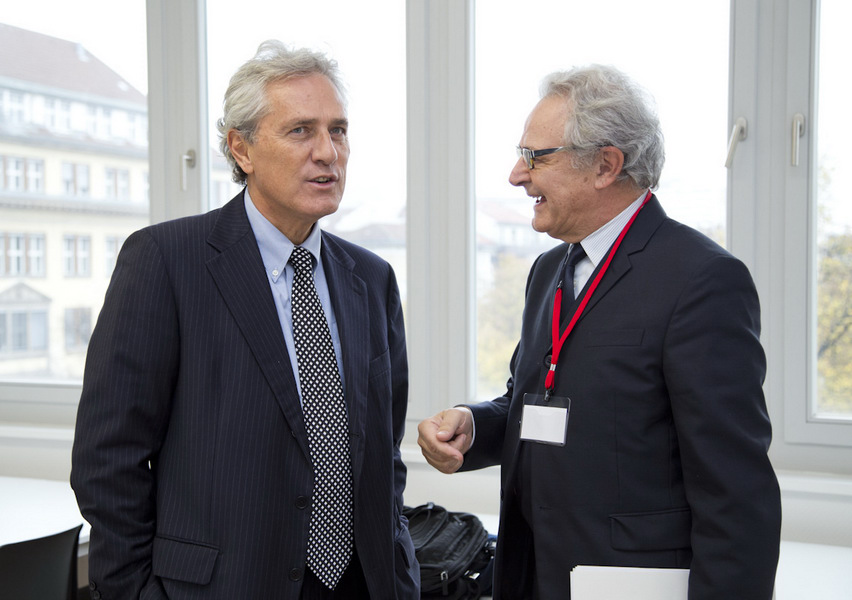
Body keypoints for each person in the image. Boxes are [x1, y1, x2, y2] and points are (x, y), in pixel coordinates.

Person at [71, 40, 419, 600]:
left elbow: (383, 452)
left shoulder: (371, 278)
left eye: (338, 130)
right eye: (301, 130)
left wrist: (399, 574)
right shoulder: (166, 261)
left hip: (362, 584)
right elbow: (108, 459)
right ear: (242, 149)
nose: (328, 152)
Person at [418, 64, 781, 599]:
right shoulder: (549, 270)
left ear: (605, 166)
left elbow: (736, 493)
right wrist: (475, 426)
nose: (517, 176)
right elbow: (538, 401)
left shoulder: (701, 279)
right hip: (532, 575)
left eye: (536, 157)